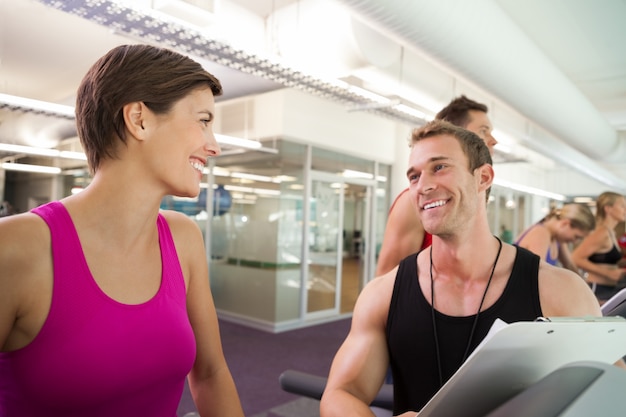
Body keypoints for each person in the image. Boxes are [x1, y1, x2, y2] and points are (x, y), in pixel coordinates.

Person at [0, 45, 244, 417]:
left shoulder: (183, 239)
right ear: (139, 120)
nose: (214, 146)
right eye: (203, 120)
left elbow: (210, 373)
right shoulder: (15, 248)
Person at [320, 120, 603, 417]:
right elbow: (341, 393)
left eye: (439, 167)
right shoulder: (384, 293)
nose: (423, 186)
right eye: (414, 176)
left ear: (483, 177)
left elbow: (608, 392)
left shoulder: (559, 290)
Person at [375, 95, 498, 276]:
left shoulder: (471, 196)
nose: (493, 140)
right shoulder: (412, 203)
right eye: (483, 131)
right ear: (455, 132)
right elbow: (387, 277)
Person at [572, 192, 626, 304]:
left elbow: (605, 259)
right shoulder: (602, 232)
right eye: (622, 206)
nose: (625, 210)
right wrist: (607, 273)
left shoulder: (611, 232)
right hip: (598, 289)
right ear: (608, 209)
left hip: (609, 288)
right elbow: (575, 258)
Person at [514, 203, 594, 273]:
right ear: (565, 223)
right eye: (576, 236)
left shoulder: (557, 239)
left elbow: (570, 267)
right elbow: (537, 275)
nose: (574, 241)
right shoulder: (541, 233)